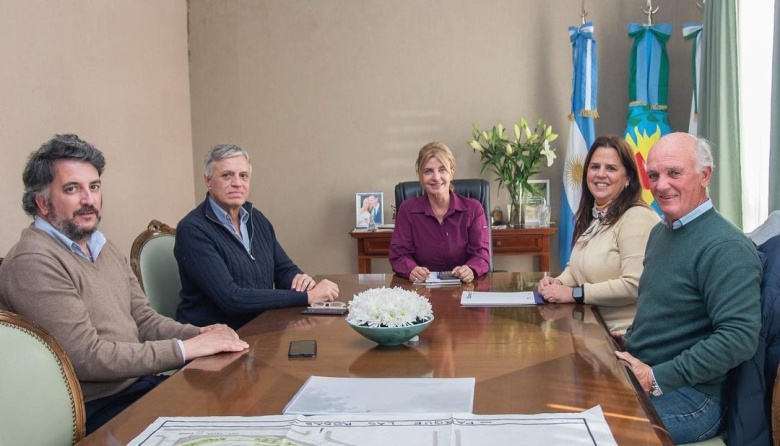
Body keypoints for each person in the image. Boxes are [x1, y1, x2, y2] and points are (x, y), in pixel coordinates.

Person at [0, 134, 249, 434]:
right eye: (72, 189)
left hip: (141, 388)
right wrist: (186, 348)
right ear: (42, 203)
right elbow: (88, 357)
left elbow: (143, 320)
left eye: (94, 187)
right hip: (98, 411)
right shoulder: (33, 261)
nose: (88, 200)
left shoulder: (100, 245)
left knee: (239, 413)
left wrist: (204, 334)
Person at [614, 132, 762, 444]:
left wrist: (656, 378)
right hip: (648, 372)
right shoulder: (660, 232)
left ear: (705, 175)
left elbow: (739, 339)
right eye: (653, 175)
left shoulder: (726, 246)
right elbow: (672, 311)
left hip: (697, 399)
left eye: (674, 173)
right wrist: (632, 340)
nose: (661, 185)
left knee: (599, 433)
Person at [174, 144, 339, 330]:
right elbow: (231, 298)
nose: (237, 183)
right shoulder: (192, 230)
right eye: (227, 175)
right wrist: (308, 297)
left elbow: (284, 270)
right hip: (214, 339)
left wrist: (302, 282)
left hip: (261, 327)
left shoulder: (256, 218)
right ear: (208, 180)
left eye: (243, 175)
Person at [537, 135, 659, 333]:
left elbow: (635, 284)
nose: (600, 174)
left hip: (624, 338)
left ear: (628, 178)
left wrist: (574, 293)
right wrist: (558, 282)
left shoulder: (636, 217)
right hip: (591, 330)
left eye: (611, 168)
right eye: (595, 167)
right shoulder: (595, 216)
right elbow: (579, 267)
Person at [389, 141, 490, 283]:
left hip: (464, 289)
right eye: (428, 171)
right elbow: (398, 256)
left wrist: (471, 269)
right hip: (422, 291)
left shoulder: (473, 209)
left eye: (442, 170)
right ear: (420, 176)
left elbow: (481, 255)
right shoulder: (407, 210)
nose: (436, 177)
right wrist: (411, 269)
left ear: (451, 173)